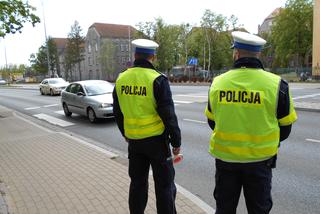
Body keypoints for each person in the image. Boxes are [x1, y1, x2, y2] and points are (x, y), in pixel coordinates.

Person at [205, 31, 297, 214]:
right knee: (259, 210)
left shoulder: (218, 83)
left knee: (224, 209)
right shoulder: (278, 85)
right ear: (259, 54)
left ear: (236, 53)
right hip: (260, 162)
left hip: (226, 161)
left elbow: (212, 121)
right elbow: (285, 128)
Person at [113, 39, 181, 214]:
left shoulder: (121, 79)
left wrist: (125, 134)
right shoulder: (157, 79)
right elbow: (169, 115)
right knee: (164, 187)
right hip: (157, 142)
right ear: (153, 57)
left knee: (137, 184)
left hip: (134, 143)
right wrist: (176, 142)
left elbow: (118, 112)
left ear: (135, 55)